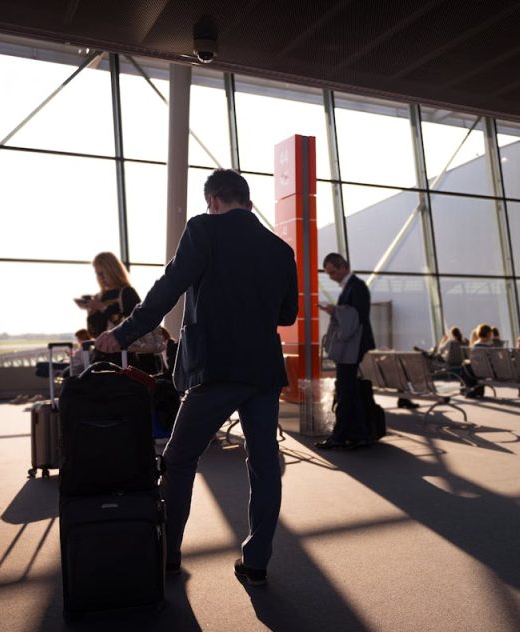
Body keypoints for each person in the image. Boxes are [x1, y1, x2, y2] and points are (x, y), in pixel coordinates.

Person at [95, 169, 298, 587]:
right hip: (262, 370)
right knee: (263, 465)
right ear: (246, 199)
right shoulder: (280, 250)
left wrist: (123, 333)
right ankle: (256, 562)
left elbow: (168, 288)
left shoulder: (204, 229)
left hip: (216, 368)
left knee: (179, 459)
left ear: (214, 201)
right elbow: (287, 315)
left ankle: (168, 554)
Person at [316, 253, 375, 450]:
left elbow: (355, 318)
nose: (331, 276)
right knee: (350, 390)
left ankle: (340, 436)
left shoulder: (356, 287)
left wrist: (334, 311)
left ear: (343, 267)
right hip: (354, 345)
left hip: (352, 346)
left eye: (333, 272)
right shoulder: (354, 287)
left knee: (345, 390)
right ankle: (358, 434)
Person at [76, 251, 159, 373]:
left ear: (112, 271)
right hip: (102, 356)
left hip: (125, 356)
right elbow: (94, 333)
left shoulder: (127, 293)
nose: (101, 278)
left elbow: (134, 322)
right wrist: (92, 312)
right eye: (98, 274)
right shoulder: (99, 297)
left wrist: (103, 308)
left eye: (103, 273)